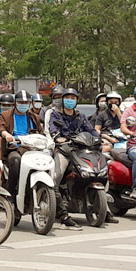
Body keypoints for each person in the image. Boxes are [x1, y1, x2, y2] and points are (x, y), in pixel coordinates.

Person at [47, 87, 91, 231]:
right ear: (62, 100)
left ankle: (105, 209)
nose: (70, 101)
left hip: (80, 151)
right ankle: (62, 213)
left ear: (77, 100)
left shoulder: (80, 116)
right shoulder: (56, 115)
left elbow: (90, 130)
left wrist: (98, 138)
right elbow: (54, 131)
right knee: (55, 178)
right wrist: (58, 138)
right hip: (64, 151)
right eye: (67, 98)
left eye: (73, 98)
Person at [0, 90, 43, 197]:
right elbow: (1, 128)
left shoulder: (34, 117)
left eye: (26, 103)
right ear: (15, 103)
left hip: (32, 150)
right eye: (21, 102)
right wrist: (7, 135)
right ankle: (11, 195)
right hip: (14, 148)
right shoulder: (6, 115)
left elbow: (41, 133)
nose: (23, 105)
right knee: (15, 162)